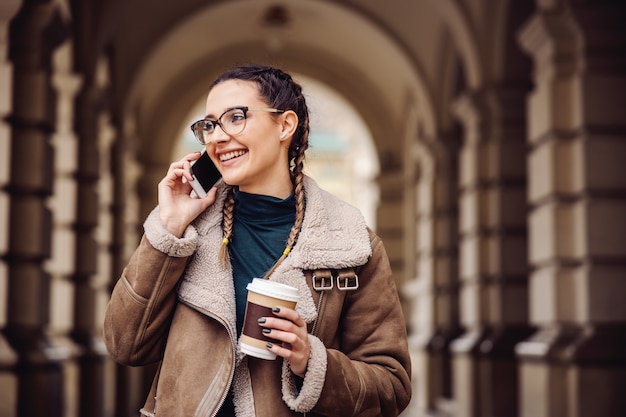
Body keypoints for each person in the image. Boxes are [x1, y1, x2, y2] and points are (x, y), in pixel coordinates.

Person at [103, 64, 412, 417]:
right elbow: (125, 346)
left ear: (285, 125)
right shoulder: (189, 231)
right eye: (209, 125)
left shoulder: (351, 244)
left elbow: (392, 386)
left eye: (236, 117)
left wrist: (311, 360)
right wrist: (169, 230)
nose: (216, 137)